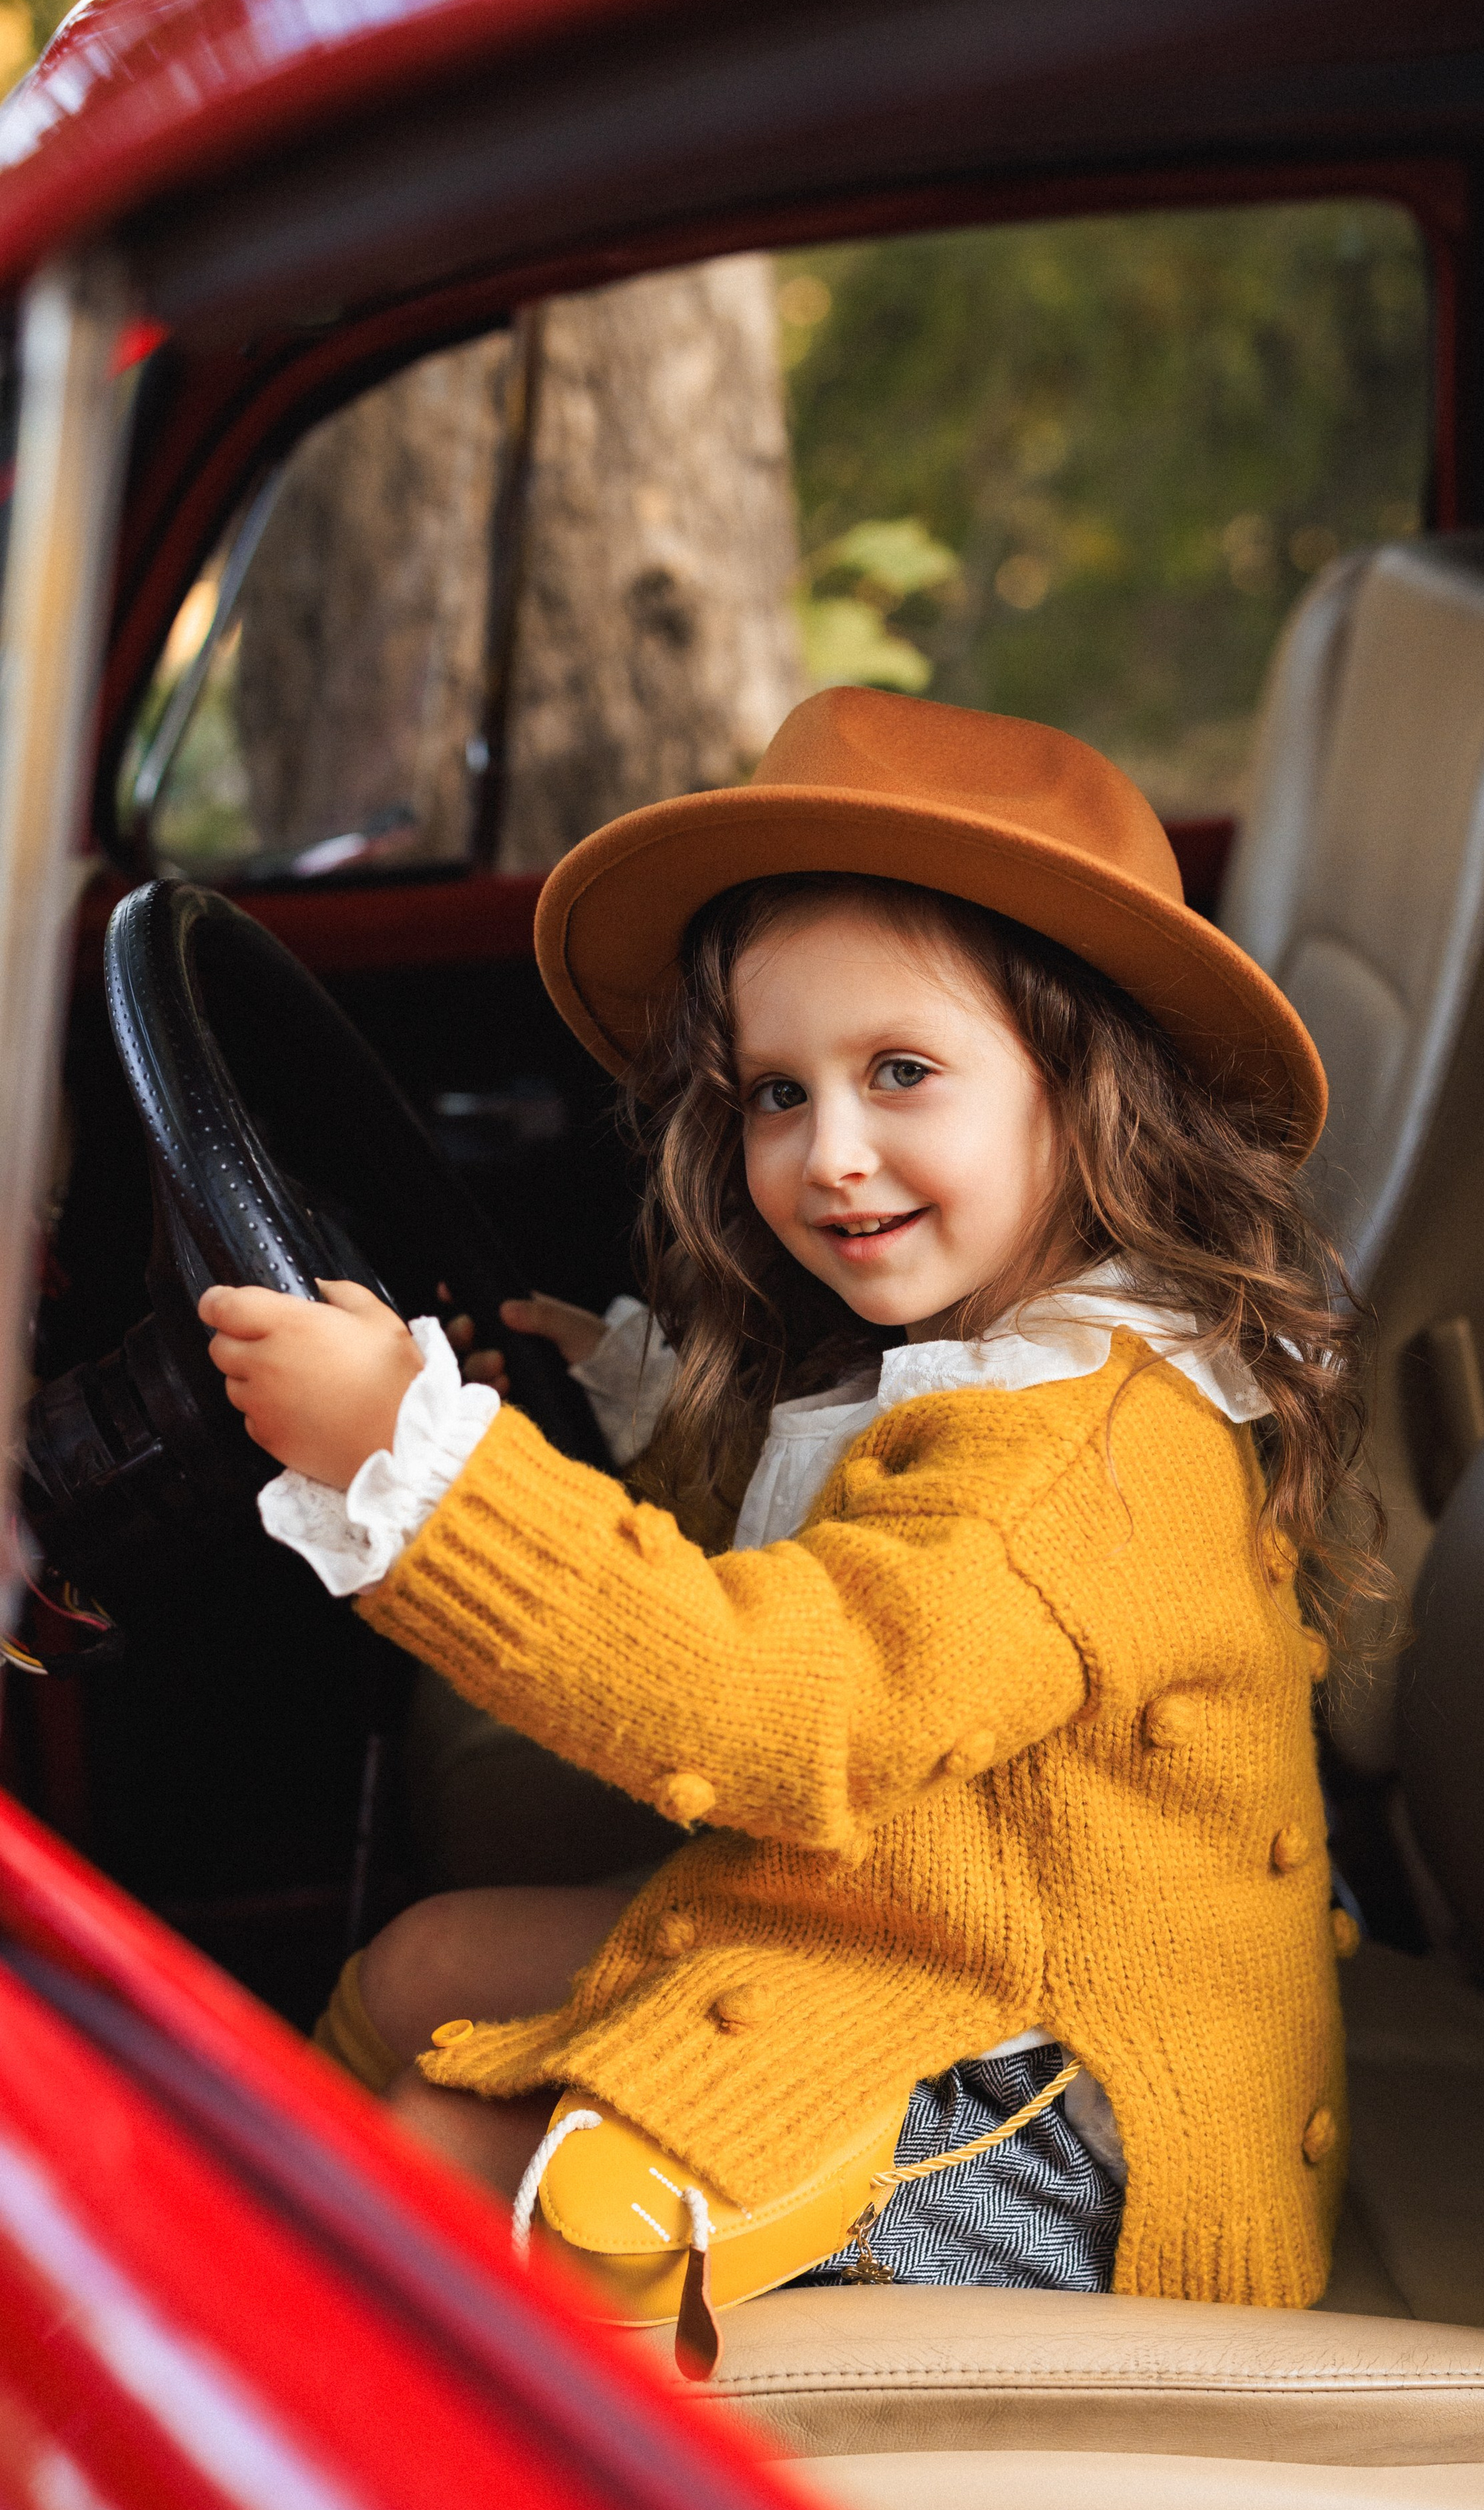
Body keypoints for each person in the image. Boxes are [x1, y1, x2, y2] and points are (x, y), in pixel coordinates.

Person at [197, 685, 1377, 2310]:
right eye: (774, 1090)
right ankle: (239, 2306)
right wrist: (576, 1384)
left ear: (1090, 1086)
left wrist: (425, 1471)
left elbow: (785, 1702)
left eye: (899, 1070)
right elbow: (822, 1529)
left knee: (459, 2153)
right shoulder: (972, 1351)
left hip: (1062, 2110)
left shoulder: (1076, 1452)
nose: (828, 1152)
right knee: (426, 1964)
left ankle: (339, 2433)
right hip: (919, 1939)